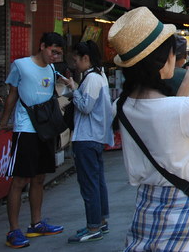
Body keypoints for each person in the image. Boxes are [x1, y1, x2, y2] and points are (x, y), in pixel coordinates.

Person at [107, 7, 189, 251]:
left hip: (146, 216)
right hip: (186, 216)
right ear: (162, 59)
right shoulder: (184, 109)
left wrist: (187, 82)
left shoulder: (121, 107)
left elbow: (168, 120)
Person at [0, 32, 66, 249]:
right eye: (53, 51)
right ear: (42, 45)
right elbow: (12, 94)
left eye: (59, 53)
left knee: (39, 178)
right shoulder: (20, 65)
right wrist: (4, 121)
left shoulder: (52, 69)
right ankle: (13, 230)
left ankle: (36, 223)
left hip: (45, 130)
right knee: (19, 180)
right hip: (25, 129)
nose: (55, 56)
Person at [61, 40, 114, 243]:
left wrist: (74, 90)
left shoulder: (91, 78)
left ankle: (93, 226)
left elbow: (85, 107)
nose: (75, 63)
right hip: (96, 137)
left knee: (89, 184)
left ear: (86, 58)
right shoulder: (99, 76)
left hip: (87, 137)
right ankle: (99, 222)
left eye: (76, 59)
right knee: (97, 182)